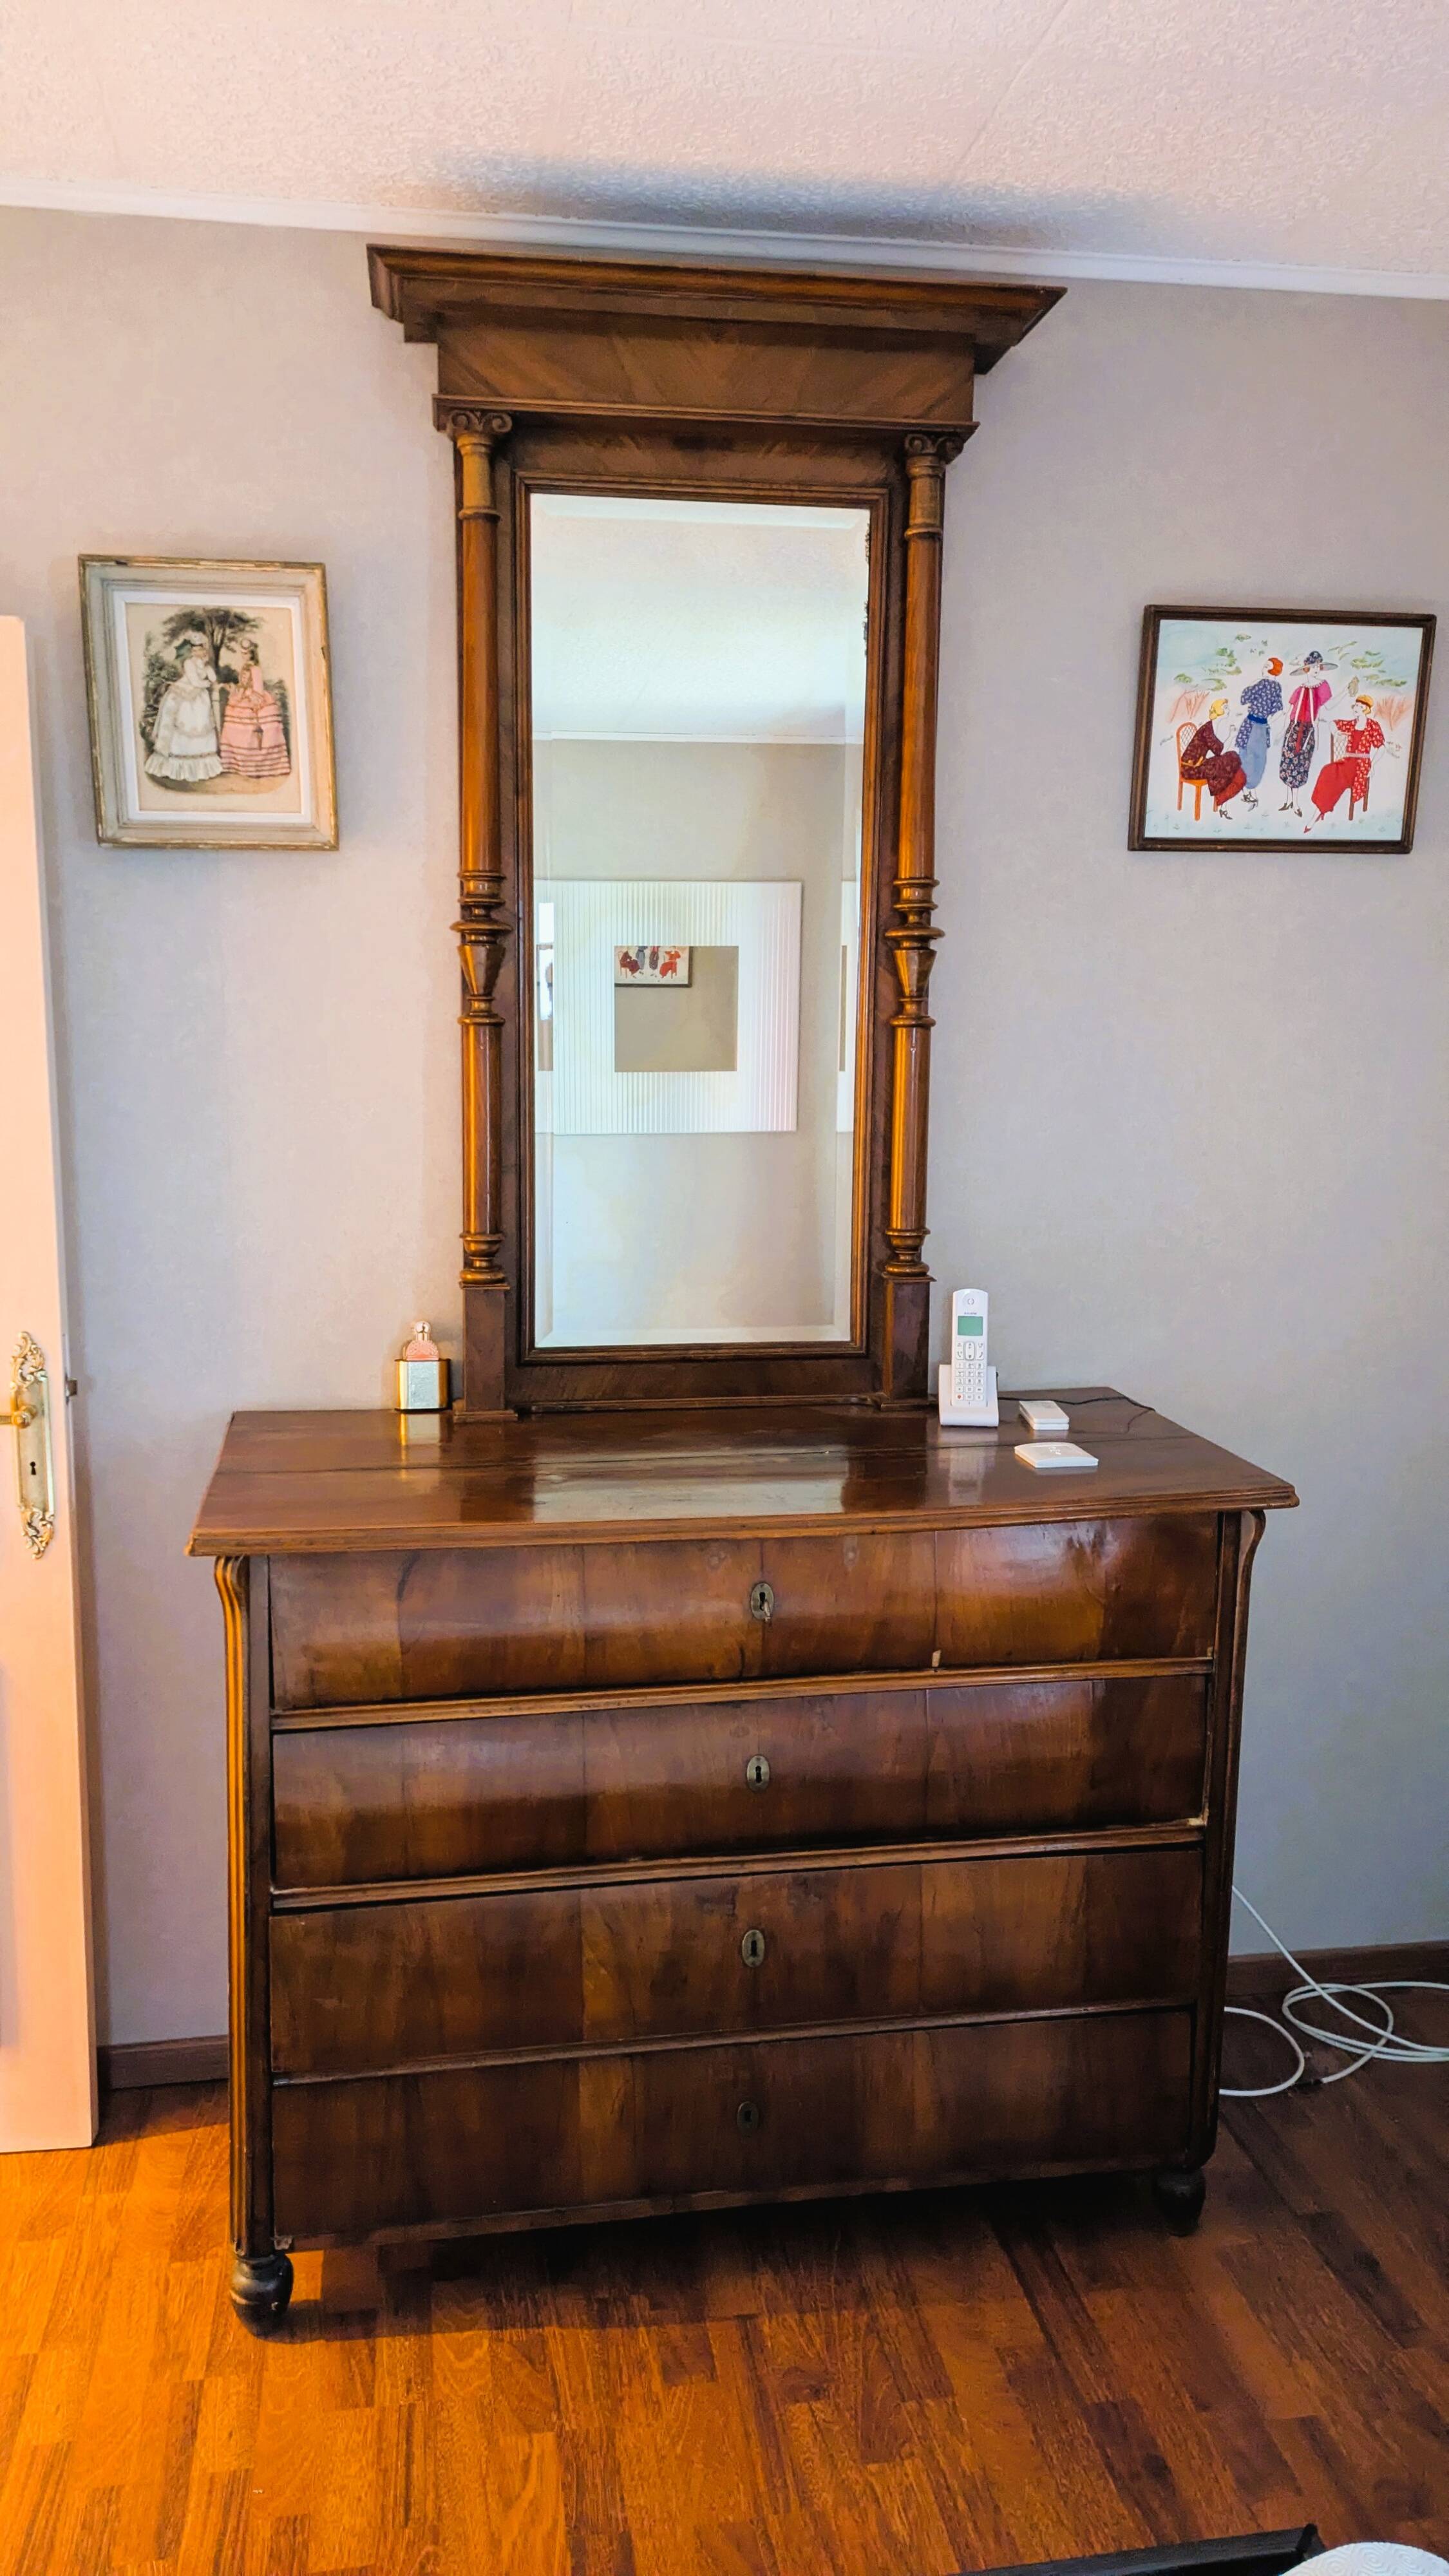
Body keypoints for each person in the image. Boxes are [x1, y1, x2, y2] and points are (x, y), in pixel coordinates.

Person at [144, 639, 223, 784]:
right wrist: (206, 683)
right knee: (185, 718)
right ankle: (175, 763)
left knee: (202, 722)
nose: (197, 652)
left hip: (200, 697)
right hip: (185, 693)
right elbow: (195, 682)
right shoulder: (189, 663)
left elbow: (213, 678)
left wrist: (206, 666)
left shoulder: (204, 664)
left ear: (204, 650)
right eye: (194, 650)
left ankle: (202, 764)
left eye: (200, 650)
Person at [1307, 695, 1385, 828]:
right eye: (1356, 706)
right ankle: (1320, 810)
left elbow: (1382, 747)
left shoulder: (1373, 726)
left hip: (1361, 765)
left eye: (1360, 707)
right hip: (1347, 761)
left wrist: (1372, 765)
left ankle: (1317, 814)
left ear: (1366, 709)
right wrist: (1336, 732)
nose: (1356, 709)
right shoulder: (1351, 724)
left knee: (1337, 782)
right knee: (1327, 771)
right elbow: (1333, 723)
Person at [218, 642, 290, 781]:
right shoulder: (245, 667)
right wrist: (236, 689)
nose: (244, 656)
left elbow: (258, 690)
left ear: (252, 654)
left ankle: (256, 766)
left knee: (251, 725)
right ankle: (236, 764)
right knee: (232, 718)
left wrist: (252, 699)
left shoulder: (256, 669)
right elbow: (243, 685)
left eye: (246, 653)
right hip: (245, 696)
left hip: (255, 699)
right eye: (242, 653)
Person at [1278, 649, 1333, 815]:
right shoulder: (1300, 689)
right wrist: (1283, 731)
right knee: (1287, 763)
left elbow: (1328, 706)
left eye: (1319, 666)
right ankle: (1288, 801)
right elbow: (1290, 709)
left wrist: (1346, 692)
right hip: (1293, 729)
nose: (1316, 669)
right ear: (1306, 668)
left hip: (1308, 730)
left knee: (1300, 765)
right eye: (1313, 666)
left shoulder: (1322, 686)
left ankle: (1296, 803)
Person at [1179, 696, 1247, 814]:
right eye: (1225, 708)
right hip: (1191, 768)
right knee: (1231, 759)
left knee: (1232, 757)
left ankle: (1222, 799)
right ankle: (1221, 799)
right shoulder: (1208, 729)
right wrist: (1231, 736)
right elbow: (1219, 751)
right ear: (1219, 711)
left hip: (1200, 763)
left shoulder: (1213, 726)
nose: (1229, 710)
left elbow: (1220, 750)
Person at [1233, 654, 1283, 806]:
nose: (1264, 668)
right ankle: (1247, 790)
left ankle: (1248, 789)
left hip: (1257, 726)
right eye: (1265, 665)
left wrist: (1252, 683)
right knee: (1252, 758)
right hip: (1258, 725)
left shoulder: (1266, 685)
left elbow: (1245, 697)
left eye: (1267, 666)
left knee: (1252, 757)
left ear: (1274, 670)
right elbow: (1278, 710)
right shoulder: (1273, 686)